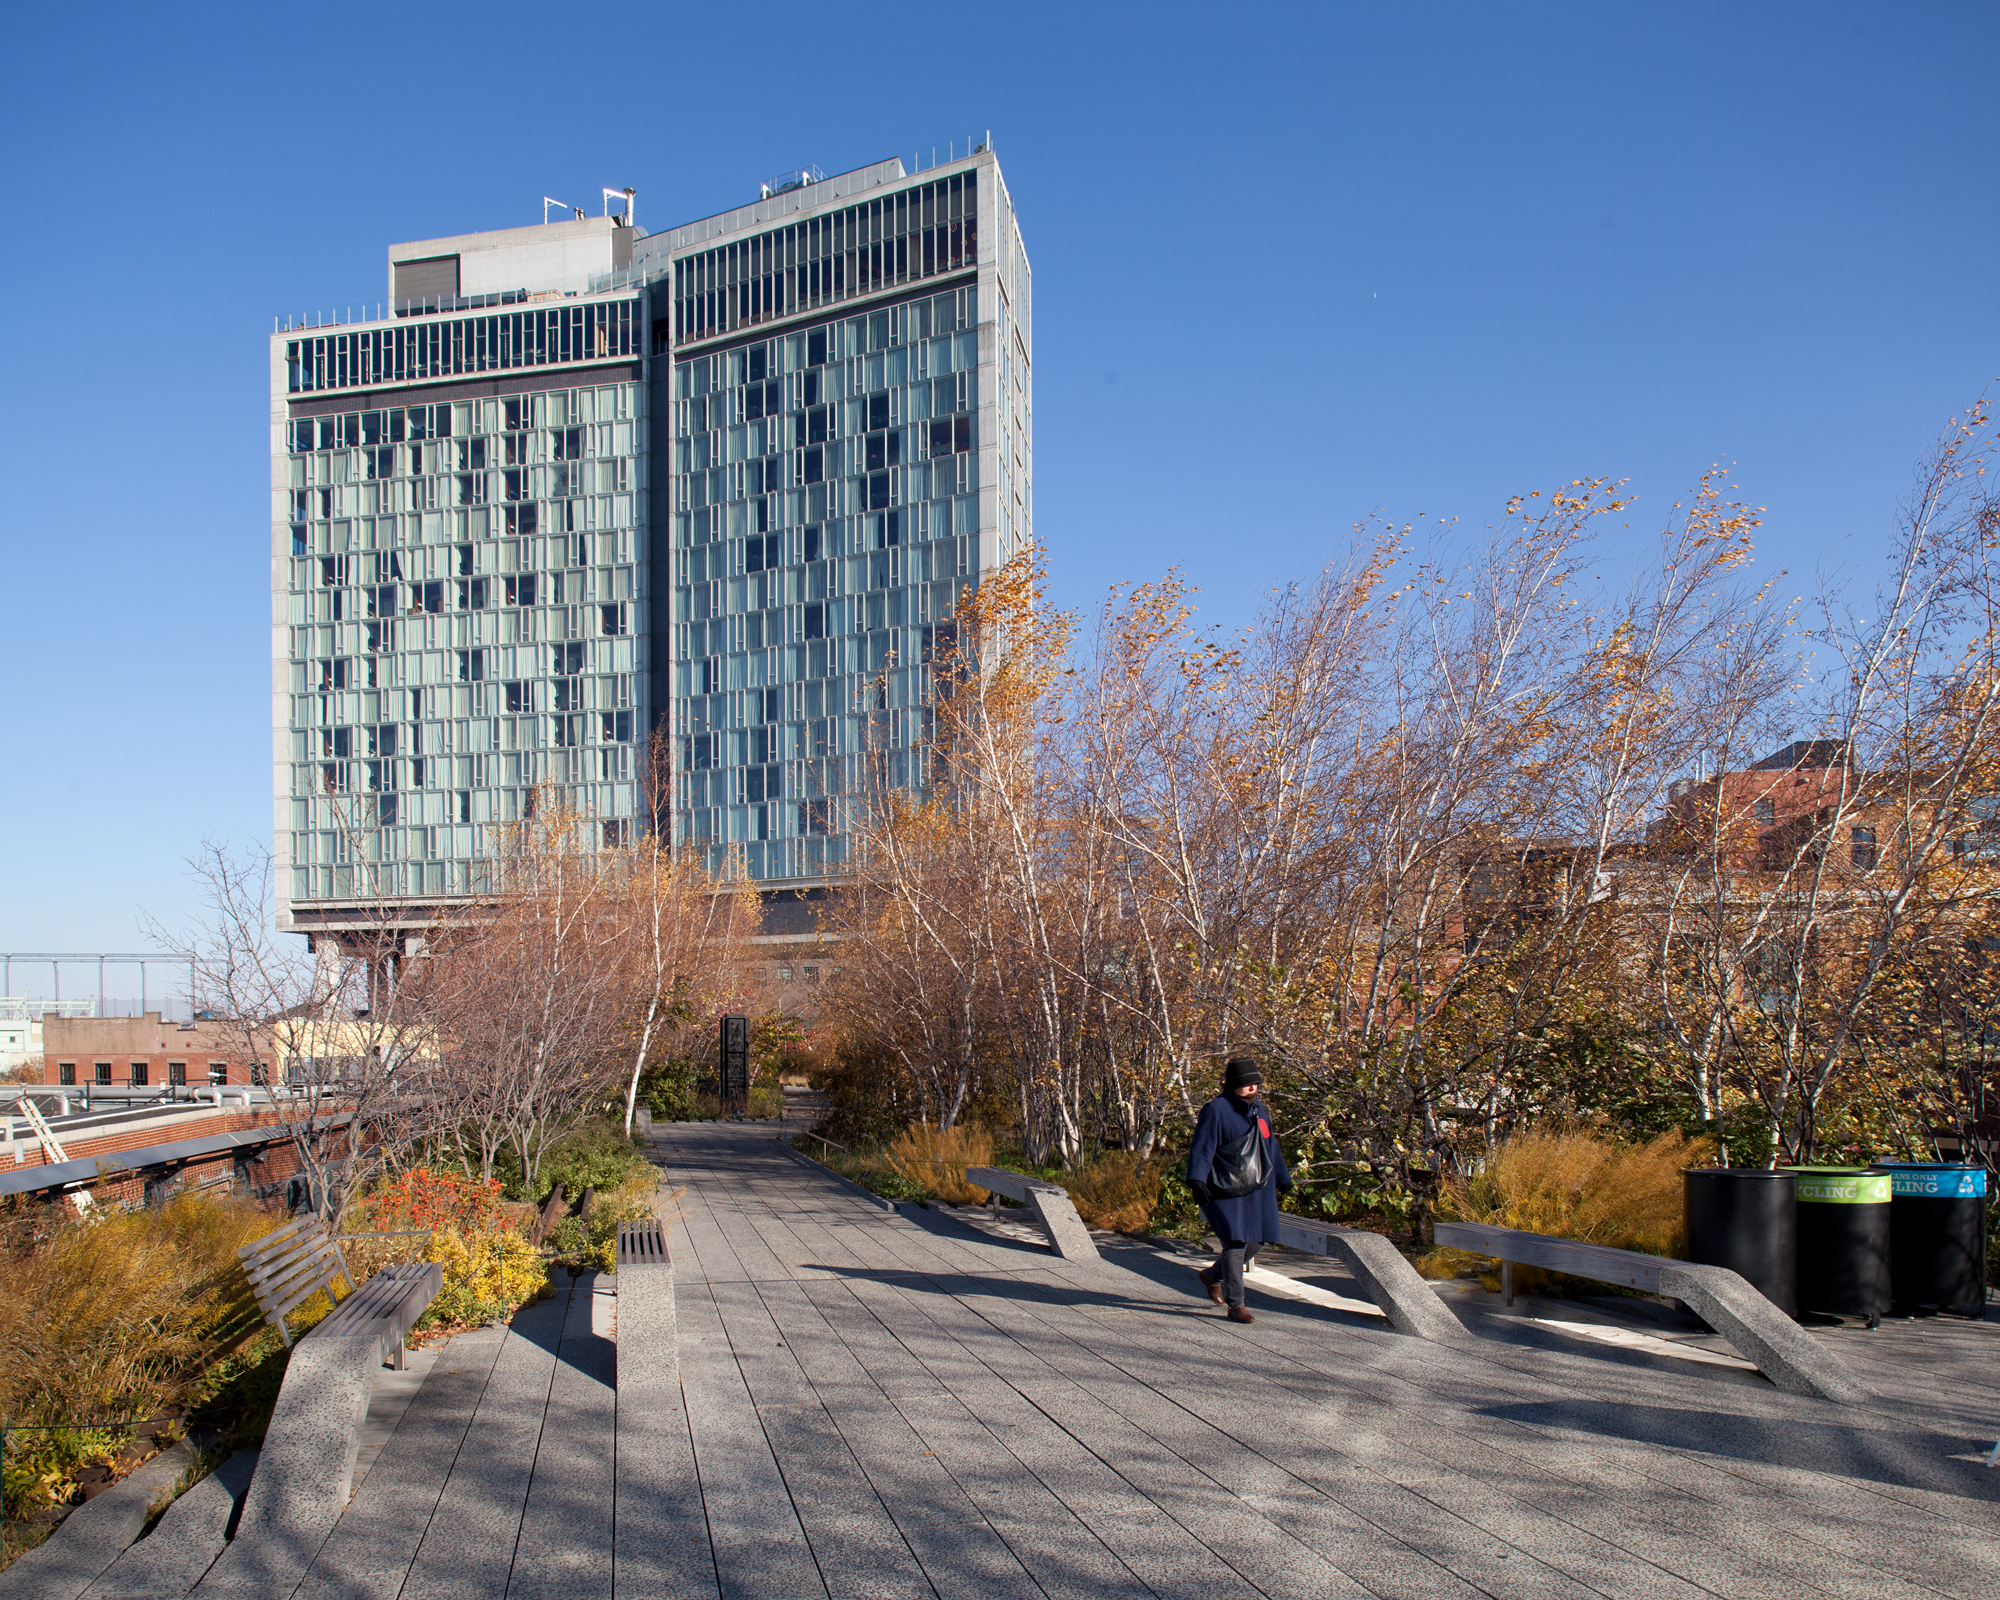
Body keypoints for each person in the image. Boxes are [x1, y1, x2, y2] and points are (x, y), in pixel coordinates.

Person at [1186, 1057, 1291, 1323]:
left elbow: (1270, 1146)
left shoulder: (1260, 1111)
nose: (1252, 1087)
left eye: (1256, 1083)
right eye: (1246, 1083)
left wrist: (1283, 1177)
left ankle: (1212, 1275)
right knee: (1235, 1242)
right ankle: (1237, 1305)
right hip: (1224, 1188)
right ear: (1233, 1084)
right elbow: (1202, 1146)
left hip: (1258, 1186)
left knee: (1257, 1241)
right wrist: (1197, 1180)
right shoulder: (1216, 1109)